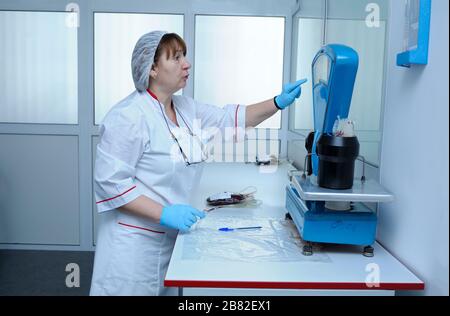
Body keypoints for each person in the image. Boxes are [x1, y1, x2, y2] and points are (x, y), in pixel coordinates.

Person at [90, 30, 307, 296]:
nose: (186, 63)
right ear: (153, 68)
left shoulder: (184, 108)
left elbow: (230, 119)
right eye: (176, 57)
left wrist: (277, 102)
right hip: (133, 245)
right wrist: (166, 213)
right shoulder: (128, 117)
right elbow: (111, 185)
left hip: (172, 239)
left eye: (185, 56)